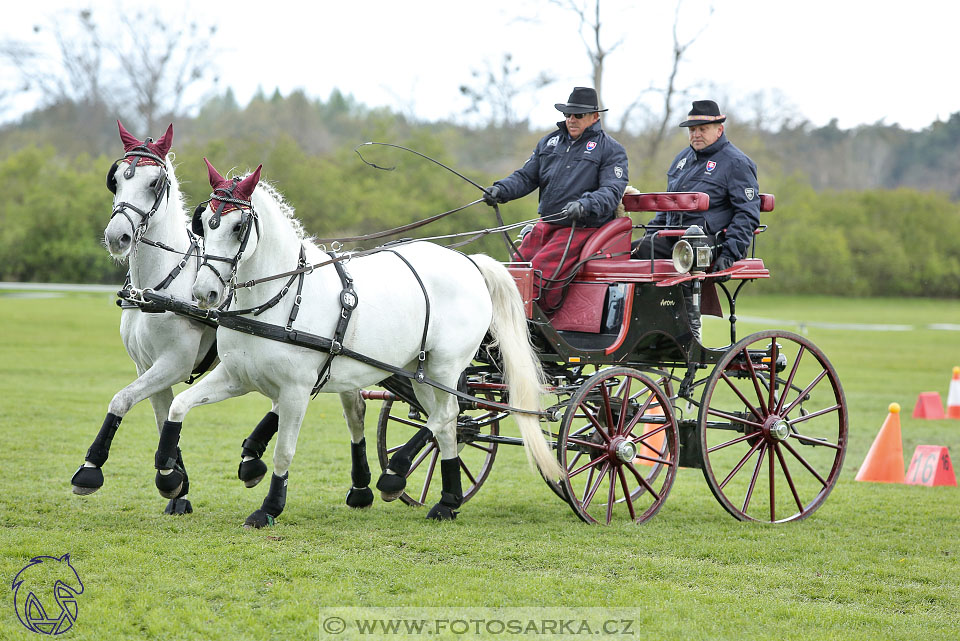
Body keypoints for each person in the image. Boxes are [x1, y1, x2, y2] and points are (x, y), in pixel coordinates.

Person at [483, 86, 628, 313]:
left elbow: (611, 191)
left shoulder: (611, 150)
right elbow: (526, 176)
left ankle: (533, 329)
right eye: (568, 114)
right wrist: (501, 190)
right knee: (514, 274)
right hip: (547, 225)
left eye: (578, 115)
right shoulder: (550, 142)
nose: (571, 119)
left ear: (594, 117)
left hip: (580, 228)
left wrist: (584, 204)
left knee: (537, 278)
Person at [632, 99, 761, 341]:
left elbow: (747, 213)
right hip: (673, 237)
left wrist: (730, 254)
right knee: (630, 252)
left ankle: (690, 332)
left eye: (702, 129)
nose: (696, 135)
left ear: (719, 130)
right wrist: (651, 234)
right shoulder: (682, 160)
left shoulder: (736, 163)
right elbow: (667, 205)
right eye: (692, 130)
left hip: (708, 242)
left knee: (678, 249)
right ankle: (645, 327)